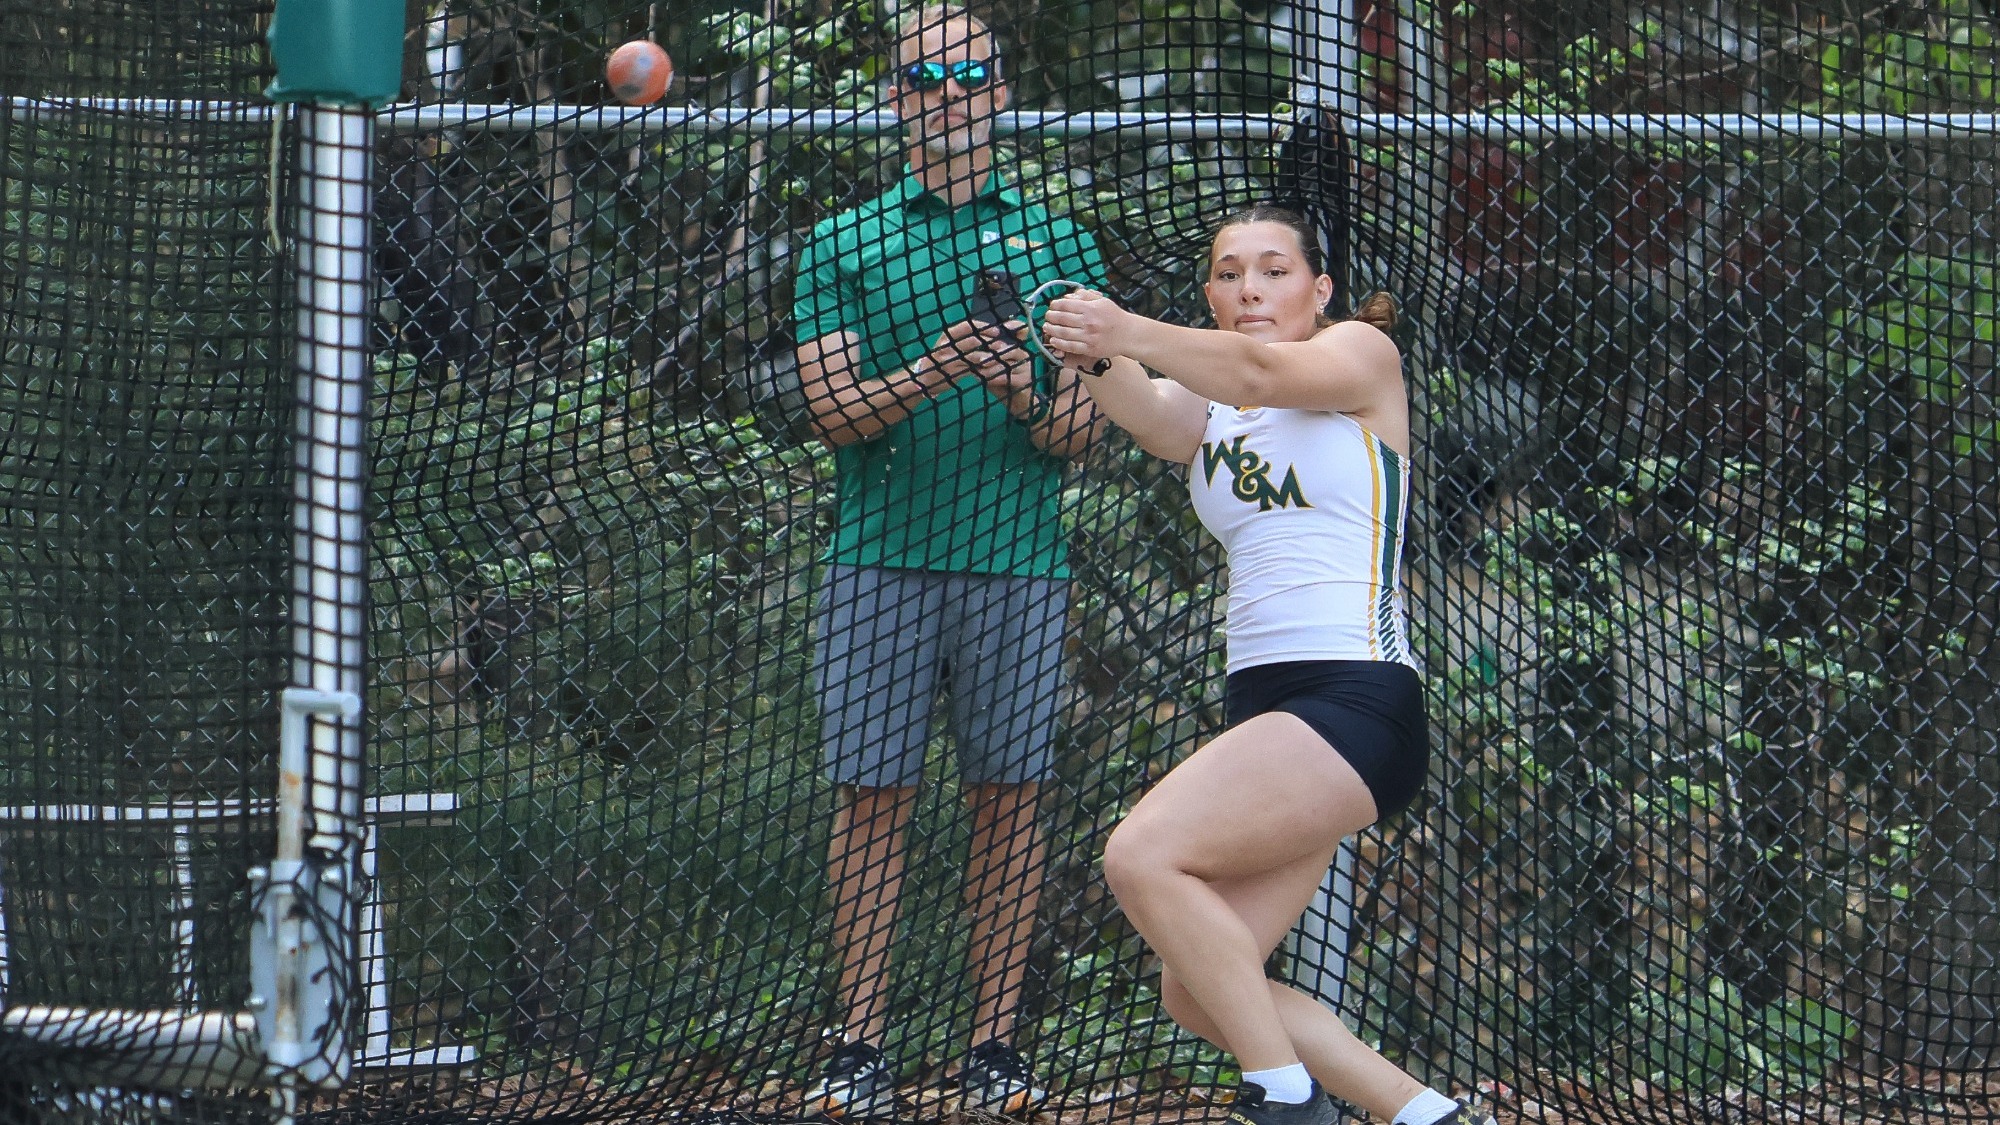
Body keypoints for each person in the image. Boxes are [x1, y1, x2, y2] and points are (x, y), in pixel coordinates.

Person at [1040, 205, 1495, 1125]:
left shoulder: (1360, 356)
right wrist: (1093, 351)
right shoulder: (1218, 401)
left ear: (1319, 289)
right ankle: (1427, 1117)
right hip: (1272, 712)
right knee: (1201, 990)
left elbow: (1257, 366)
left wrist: (1125, 326)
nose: (1249, 288)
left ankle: (1286, 1099)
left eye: (1275, 270)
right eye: (1229, 272)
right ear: (1209, 290)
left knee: (1142, 854)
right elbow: (1163, 420)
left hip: (1354, 698)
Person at [789, 3, 1107, 1117]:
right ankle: (859, 1042)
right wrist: (933, 367)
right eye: (923, 74)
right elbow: (832, 414)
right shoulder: (845, 240)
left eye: (969, 72)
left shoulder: (1060, 242)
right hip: (878, 559)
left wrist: (1020, 387)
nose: (948, 90)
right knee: (872, 799)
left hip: (1020, 563)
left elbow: (1077, 435)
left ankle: (993, 1048)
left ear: (999, 92)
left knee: (1008, 801)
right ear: (895, 98)